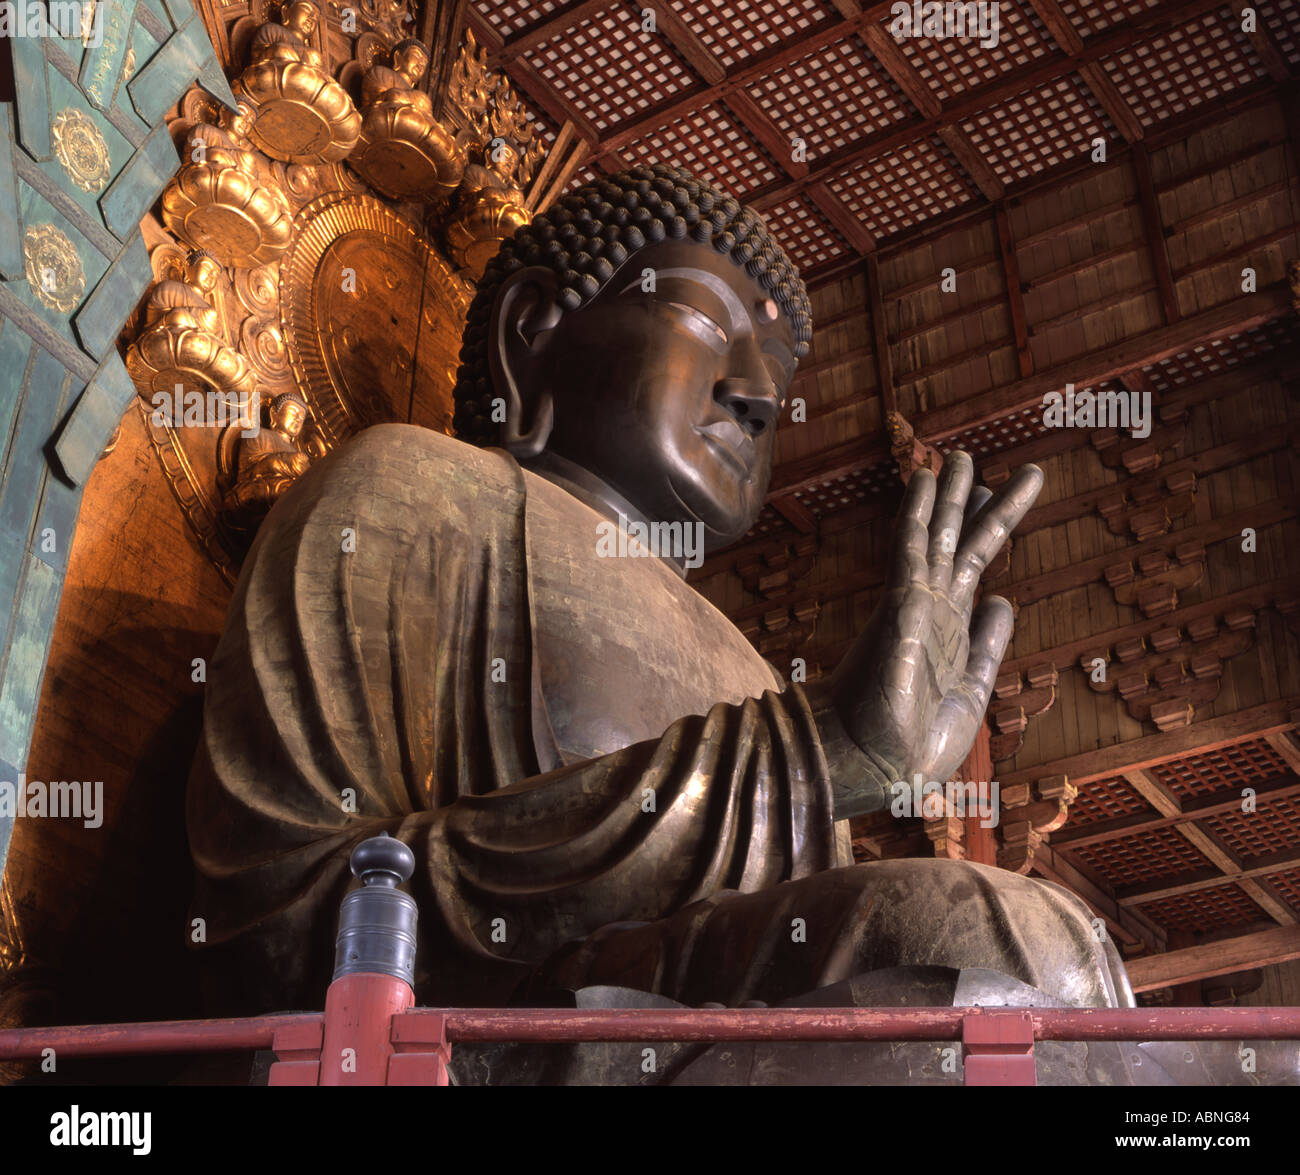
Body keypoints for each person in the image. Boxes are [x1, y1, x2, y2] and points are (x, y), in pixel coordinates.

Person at [188, 163, 1133, 1066]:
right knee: (997, 944)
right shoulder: (411, 488)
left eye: (776, 372)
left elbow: (798, 944)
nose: (758, 393)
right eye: (702, 318)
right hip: (484, 1039)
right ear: (533, 334)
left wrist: (822, 762)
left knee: (1037, 950)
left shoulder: (752, 668)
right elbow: (282, 918)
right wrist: (811, 759)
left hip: (693, 1026)